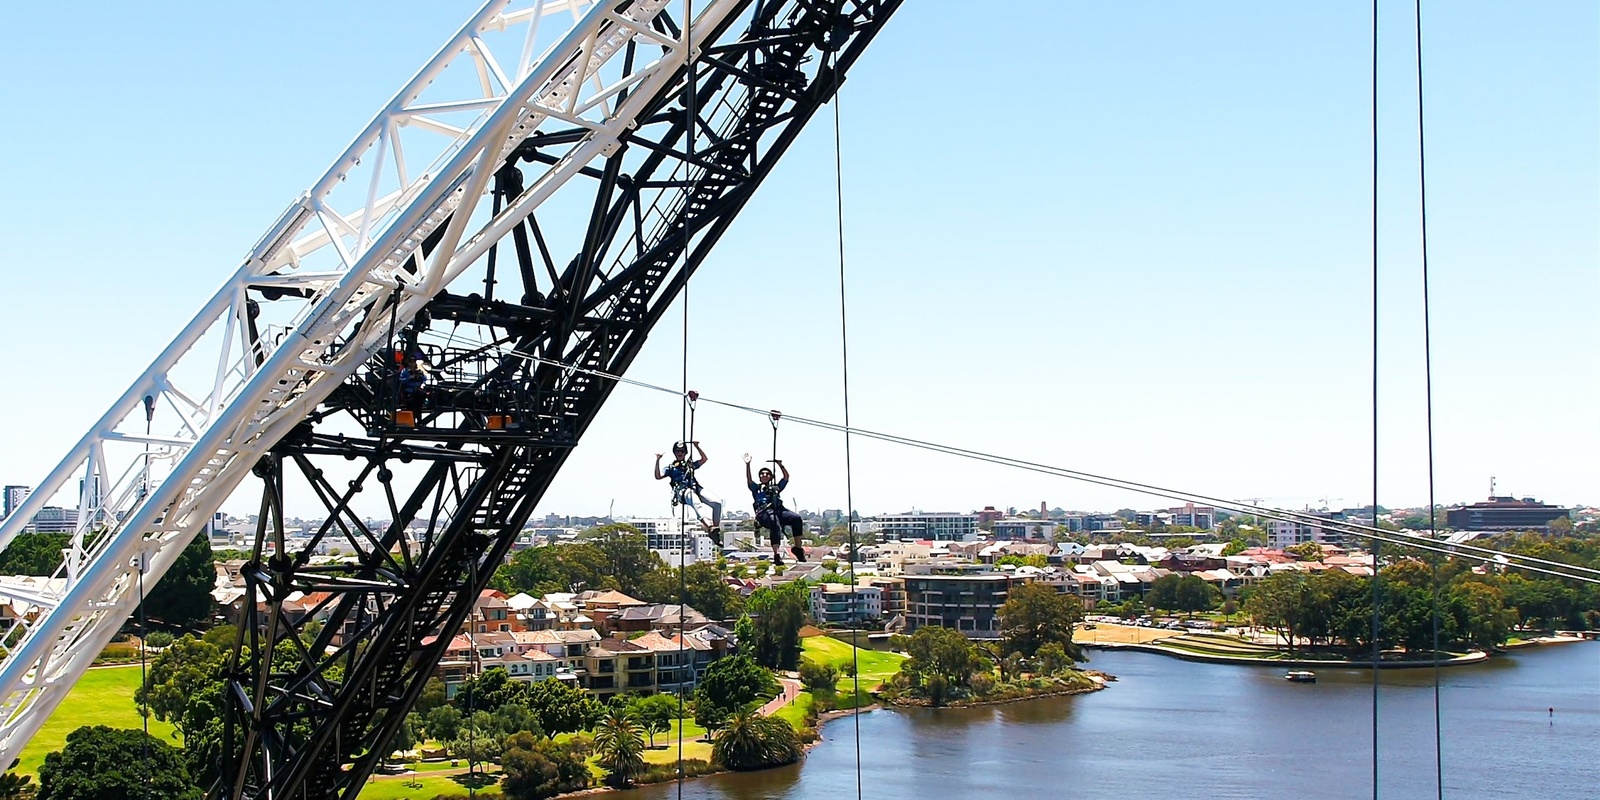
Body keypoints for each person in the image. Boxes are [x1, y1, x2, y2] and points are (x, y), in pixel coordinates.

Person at [655, 442, 724, 545]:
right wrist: (658, 460)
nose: (680, 453)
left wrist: (697, 446)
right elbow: (658, 476)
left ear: (685, 453)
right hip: (683, 492)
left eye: (682, 451)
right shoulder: (671, 468)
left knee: (717, 503)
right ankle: (709, 526)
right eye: (678, 451)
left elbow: (704, 459)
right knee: (697, 503)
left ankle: (714, 532)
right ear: (674, 452)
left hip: (696, 488)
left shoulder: (689, 465)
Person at [746, 454, 804, 566]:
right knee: (774, 523)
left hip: (778, 510)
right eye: (762, 474)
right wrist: (748, 465)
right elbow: (749, 479)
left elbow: (786, 477)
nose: (764, 475)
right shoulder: (756, 489)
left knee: (796, 518)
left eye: (767, 473)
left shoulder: (776, 488)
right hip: (764, 513)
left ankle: (798, 548)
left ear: (771, 477)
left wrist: (780, 465)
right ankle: (776, 555)